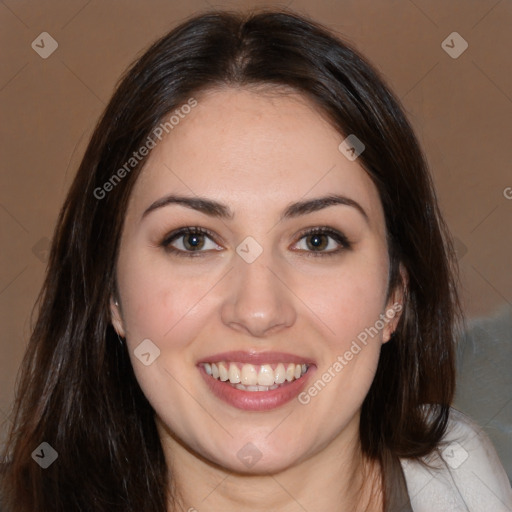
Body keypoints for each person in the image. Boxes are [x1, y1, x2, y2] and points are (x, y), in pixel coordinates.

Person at [1, 9, 511, 512]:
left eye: (317, 241)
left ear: (395, 296)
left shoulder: (470, 484)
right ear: (111, 293)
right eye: (194, 241)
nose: (258, 310)